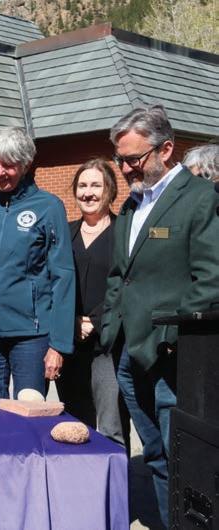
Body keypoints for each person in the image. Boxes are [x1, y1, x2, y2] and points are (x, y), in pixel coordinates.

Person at [102, 105, 219, 525]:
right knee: (154, 456)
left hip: (173, 358)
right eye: (120, 160)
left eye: (133, 159)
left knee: (185, 459)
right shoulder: (131, 206)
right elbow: (120, 276)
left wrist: (170, 337)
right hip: (129, 356)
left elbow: (211, 280)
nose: (125, 169)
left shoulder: (200, 198)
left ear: (165, 149)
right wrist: (111, 329)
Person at [0, 126, 75, 400]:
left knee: (29, 412)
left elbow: (63, 276)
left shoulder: (49, 207)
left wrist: (59, 344)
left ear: (26, 166)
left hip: (31, 335)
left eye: (9, 166)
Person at [55, 159, 129, 446]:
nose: (88, 193)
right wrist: (70, 322)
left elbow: (127, 284)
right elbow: (53, 283)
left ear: (109, 190)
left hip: (109, 344)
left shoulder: (124, 232)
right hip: (70, 343)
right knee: (75, 424)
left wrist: (94, 322)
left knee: (112, 425)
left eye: (96, 185)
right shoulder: (66, 233)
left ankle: (116, 475)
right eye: (82, 186)